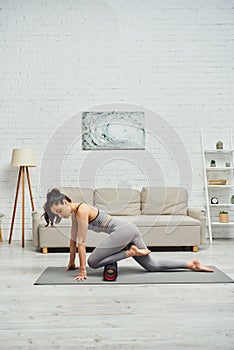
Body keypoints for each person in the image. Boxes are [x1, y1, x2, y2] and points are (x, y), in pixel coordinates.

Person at [43, 189, 213, 281]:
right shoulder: (75, 213)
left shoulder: (82, 210)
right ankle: (192, 264)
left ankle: (130, 252)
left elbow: (82, 243)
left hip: (122, 231)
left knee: (92, 263)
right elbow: (73, 241)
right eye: (56, 214)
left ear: (65, 202)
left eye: (59, 211)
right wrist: (72, 262)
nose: (60, 215)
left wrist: (82, 270)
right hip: (129, 230)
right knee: (152, 266)